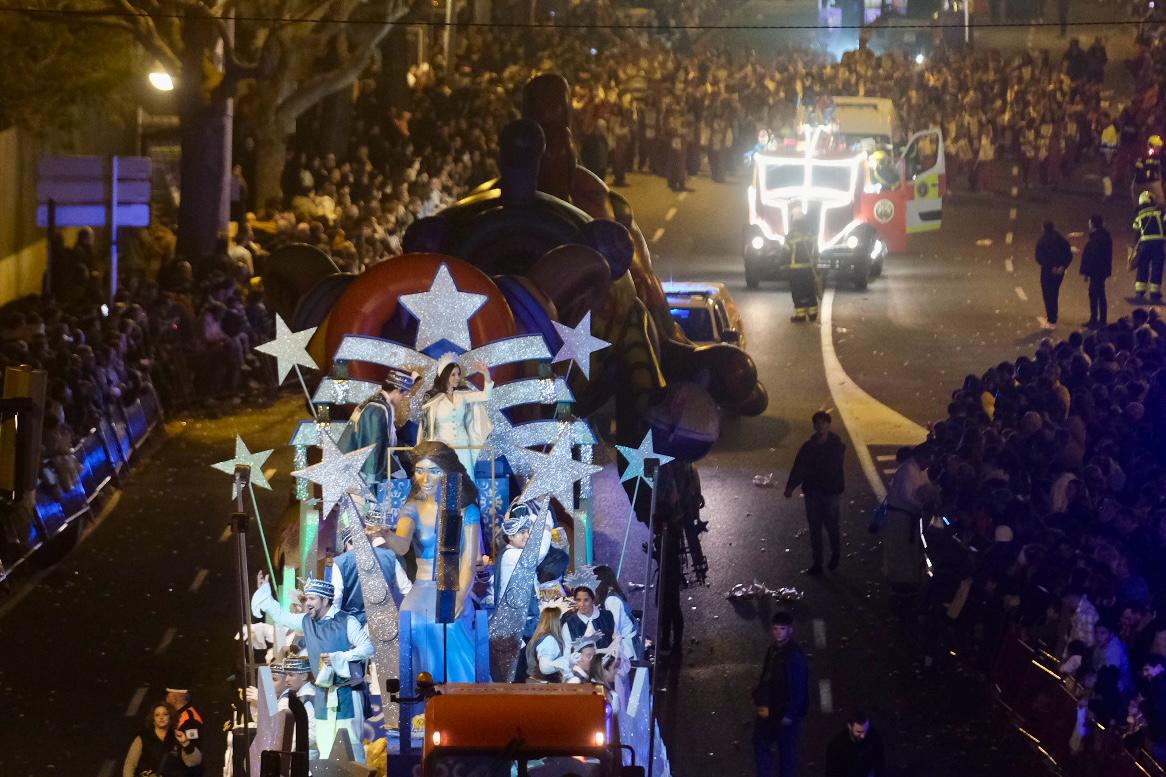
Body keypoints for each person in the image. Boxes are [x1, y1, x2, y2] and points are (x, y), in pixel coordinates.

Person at [378, 441, 481, 682]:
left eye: (434, 471)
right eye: (420, 470)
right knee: (410, 620)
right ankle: (418, 698)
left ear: (448, 472)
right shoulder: (412, 507)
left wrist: (460, 595)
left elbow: (468, 560)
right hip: (422, 586)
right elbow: (402, 545)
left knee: (449, 625)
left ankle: (458, 694)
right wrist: (386, 535)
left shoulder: (468, 511)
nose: (426, 478)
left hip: (455, 586)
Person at [251, 574, 374, 763]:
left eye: (312, 598)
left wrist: (340, 657)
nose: (307, 603)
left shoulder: (347, 621)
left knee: (351, 748)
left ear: (325, 600)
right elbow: (282, 617)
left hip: (347, 692)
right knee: (325, 749)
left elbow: (368, 648)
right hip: (323, 695)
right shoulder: (306, 621)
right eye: (306, 598)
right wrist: (265, 594)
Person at [785, 410, 846, 575]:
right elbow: (799, 467)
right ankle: (817, 563)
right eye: (817, 423)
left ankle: (835, 554)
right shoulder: (809, 447)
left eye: (823, 423)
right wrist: (790, 486)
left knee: (831, 526)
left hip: (829, 493)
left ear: (828, 425)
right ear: (814, 426)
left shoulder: (835, 447)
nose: (820, 426)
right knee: (815, 529)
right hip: (813, 493)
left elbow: (834, 469)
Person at [752, 611, 809, 777]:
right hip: (768, 708)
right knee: (760, 742)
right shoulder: (773, 650)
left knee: (787, 754)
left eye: (782, 629)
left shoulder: (794, 656)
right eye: (775, 628)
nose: (778, 632)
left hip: (785, 713)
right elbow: (767, 675)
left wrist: (790, 714)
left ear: (790, 630)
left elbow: (798, 688)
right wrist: (758, 695)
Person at [344, 366, 417, 487]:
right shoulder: (378, 408)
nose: (401, 400)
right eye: (403, 396)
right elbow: (374, 443)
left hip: (370, 462)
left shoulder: (379, 402)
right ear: (397, 389)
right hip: (367, 468)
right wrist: (373, 477)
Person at [420, 357, 493, 476]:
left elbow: (486, 395)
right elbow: (428, 427)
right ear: (445, 375)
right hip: (443, 448)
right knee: (444, 482)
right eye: (453, 374)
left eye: (458, 374)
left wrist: (486, 374)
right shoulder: (433, 399)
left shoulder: (462, 395)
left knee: (465, 480)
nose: (457, 378)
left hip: (463, 446)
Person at [330, 522, 412, 625]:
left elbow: (336, 599)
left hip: (354, 626)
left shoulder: (341, 562)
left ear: (347, 543)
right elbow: (407, 591)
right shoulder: (389, 556)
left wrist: (333, 626)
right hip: (387, 625)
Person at [882, 445, 933, 593]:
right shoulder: (908, 471)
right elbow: (906, 496)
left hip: (909, 517)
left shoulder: (918, 470)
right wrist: (923, 506)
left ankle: (908, 579)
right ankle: (900, 581)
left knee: (909, 549)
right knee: (900, 549)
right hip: (901, 517)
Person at [122, 703, 202, 777]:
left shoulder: (178, 737)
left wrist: (186, 742)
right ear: (153, 720)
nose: (161, 717)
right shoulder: (143, 738)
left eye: (165, 714)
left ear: (171, 718)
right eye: (157, 715)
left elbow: (195, 761)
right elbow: (130, 764)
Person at [560, 566, 615, 651]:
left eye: (586, 600)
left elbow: (616, 641)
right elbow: (567, 653)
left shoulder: (607, 617)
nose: (582, 604)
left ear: (593, 599)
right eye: (578, 600)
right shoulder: (569, 624)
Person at [825, 709, 885, 777]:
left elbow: (880, 768)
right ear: (850, 726)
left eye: (866, 731)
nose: (863, 736)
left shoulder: (874, 739)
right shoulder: (836, 745)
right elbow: (831, 773)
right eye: (859, 732)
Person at [1034, 221, 1073, 327]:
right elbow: (1068, 254)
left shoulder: (1042, 241)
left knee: (1047, 293)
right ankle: (1053, 315)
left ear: (1043, 228)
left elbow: (1039, 257)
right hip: (1060, 271)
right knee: (1055, 292)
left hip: (1047, 271)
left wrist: (1051, 267)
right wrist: (1062, 266)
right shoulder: (1061, 239)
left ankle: (1051, 317)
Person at [282, 655, 319, 760]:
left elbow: (312, 733)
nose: (286, 679)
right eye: (286, 675)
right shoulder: (302, 696)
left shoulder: (308, 699)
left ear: (304, 676)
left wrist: (290, 748)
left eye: (291, 675)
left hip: (307, 757)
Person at [787, 208, 820, 322]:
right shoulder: (811, 234)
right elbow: (816, 252)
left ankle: (800, 315)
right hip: (808, 269)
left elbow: (785, 253)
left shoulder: (790, 236)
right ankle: (813, 313)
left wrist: (781, 265)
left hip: (795, 270)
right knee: (810, 291)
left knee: (798, 292)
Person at [1079, 215, 1112, 327]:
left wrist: (1087, 273)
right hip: (1101, 271)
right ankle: (1102, 319)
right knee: (1100, 294)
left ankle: (1095, 319)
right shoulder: (1104, 237)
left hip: (1096, 272)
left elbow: (1092, 257)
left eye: (1089, 223)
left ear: (1093, 224)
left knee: (1094, 295)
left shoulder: (1097, 238)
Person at [1133, 190, 1165, 301]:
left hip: (1145, 243)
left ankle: (1140, 292)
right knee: (1157, 266)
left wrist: (1135, 247)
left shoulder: (1139, 215)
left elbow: (1136, 232)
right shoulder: (1159, 212)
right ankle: (1154, 292)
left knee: (1143, 266)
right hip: (1158, 243)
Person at [527, 606, 572, 683]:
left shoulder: (539, 637)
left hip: (538, 684)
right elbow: (545, 668)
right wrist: (567, 662)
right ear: (556, 621)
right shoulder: (549, 640)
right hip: (544, 686)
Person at [164, 686, 204, 770]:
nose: (165, 699)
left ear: (174, 698)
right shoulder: (179, 714)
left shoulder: (190, 721)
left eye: (168, 695)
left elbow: (192, 755)